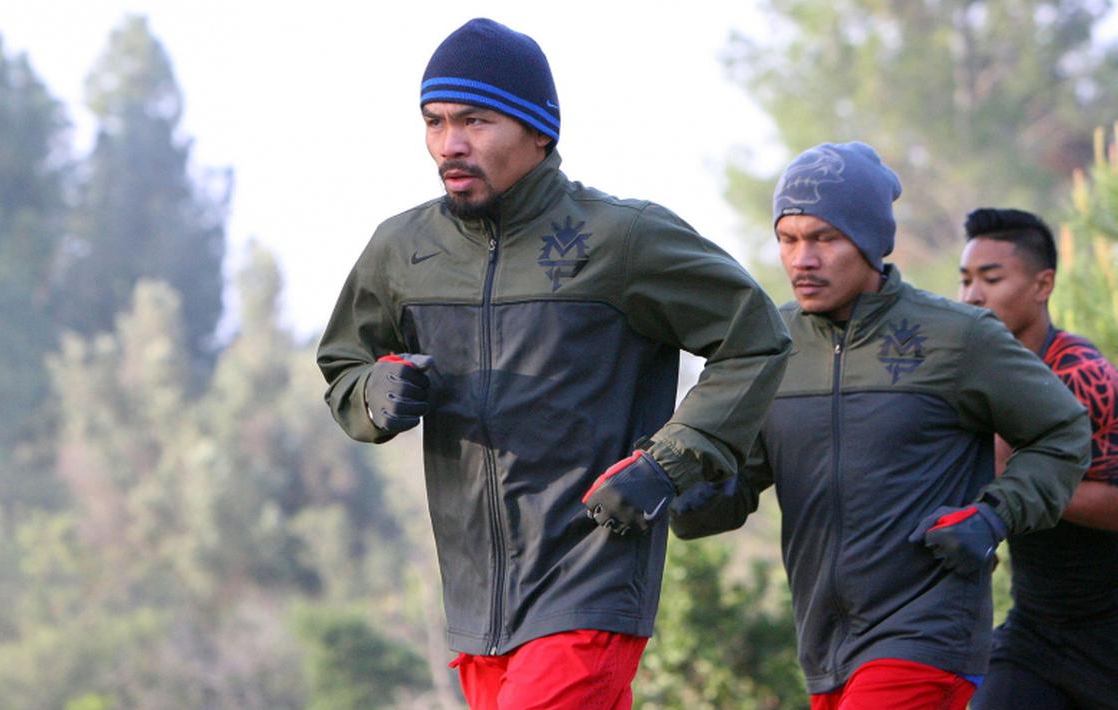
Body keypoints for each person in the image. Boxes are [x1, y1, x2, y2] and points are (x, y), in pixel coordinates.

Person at [316, 18, 791, 710]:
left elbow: (754, 338)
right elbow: (344, 363)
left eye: (474, 121)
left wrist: (668, 462)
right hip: (476, 598)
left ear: (538, 131)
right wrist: (372, 391)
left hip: (589, 574)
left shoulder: (620, 238)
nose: (449, 143)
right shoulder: (400, 249)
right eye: (434, 121)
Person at [670, 142, 1092, 710]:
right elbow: (744, 479)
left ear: (870, 243)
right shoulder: (770, 345)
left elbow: (1063, 433)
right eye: (789, 239)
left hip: (927, 632)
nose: (802, 259)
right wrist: (689, 496)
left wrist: (994, 515)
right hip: (824, 645)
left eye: (825, 238)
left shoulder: (960, 337)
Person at [959, 207, 1118, 710]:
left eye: (991, 277)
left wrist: (1022, 484)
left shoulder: (1082, 376)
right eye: (965, 280)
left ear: (1042, 284)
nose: (972, 296)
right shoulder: (974, 378)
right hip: (1036, 632)